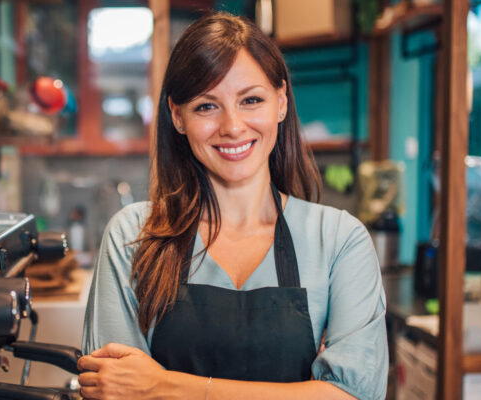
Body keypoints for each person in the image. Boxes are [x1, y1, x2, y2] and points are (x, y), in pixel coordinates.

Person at [78, 12, 387, 400]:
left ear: (280, 102)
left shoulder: (339, 240)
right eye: (206, 106)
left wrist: (163, 385)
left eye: (251, 100)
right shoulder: (134, 235)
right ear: (177, 116)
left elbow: (353, 395)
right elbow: (112, 389)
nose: (233, 126)